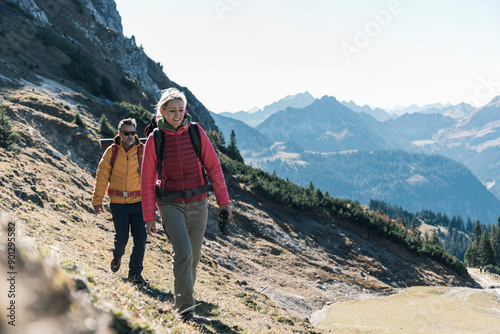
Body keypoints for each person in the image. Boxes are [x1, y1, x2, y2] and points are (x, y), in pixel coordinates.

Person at [141, 87, 232, 321]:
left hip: (198, 203)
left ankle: (184, 301)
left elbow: (213, 167)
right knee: (182, 252)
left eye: (181, 110)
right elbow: (147, 178)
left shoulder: (196, 133)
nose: (178, 115)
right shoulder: (155, 138)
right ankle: (185, 309)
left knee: (193, 255)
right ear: (162, 111)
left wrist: (224, 203)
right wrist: (148, 215)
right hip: (170, 204)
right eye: (172, 111)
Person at [91, 118, 148, 284]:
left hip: (138, 202)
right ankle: (117, 256)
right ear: (119, 134)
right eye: (126, 133)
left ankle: (135, 274)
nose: (130, 136)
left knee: (140, 239)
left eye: (132, 133)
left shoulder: (143, 151)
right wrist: (97, 200)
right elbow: (102, 176)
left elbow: (152, 176)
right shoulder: (111, 151)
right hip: (117, 203)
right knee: (122, 237)